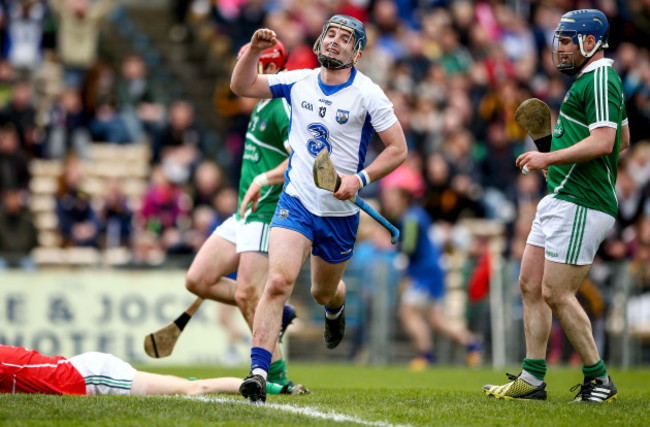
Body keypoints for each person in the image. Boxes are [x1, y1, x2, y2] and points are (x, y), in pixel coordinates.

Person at [230, 15, 408, 402]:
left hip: (340, 214)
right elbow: (242, 85)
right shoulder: (298, 81)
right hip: (296, 202)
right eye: (331, 34)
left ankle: (335, 306)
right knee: (277, 282)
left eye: (345, 39)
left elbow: (398, 149)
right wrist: (255, 52)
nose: (335, 42)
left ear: (356, 53)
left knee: (322, 292)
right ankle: (259, 372)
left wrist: (359, 180)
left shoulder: (368, 94)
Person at [483, 9, 630, 403]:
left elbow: (604, 143)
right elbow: (623, 140)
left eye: (567, 41)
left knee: (556, 292)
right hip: (561, 196)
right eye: (559, 40)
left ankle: (599, 380)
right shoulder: (591, 81)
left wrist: (548, 158)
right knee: (530, 283)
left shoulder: (600, 79)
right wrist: (553, 145)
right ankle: (532, 380)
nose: (560, 48)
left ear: (589, 42)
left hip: (584, 201)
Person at [184, 40, 296, 389]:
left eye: (248, 62)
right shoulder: (258, 104)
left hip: (267, 212)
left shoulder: (281, 106)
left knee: (248, 295)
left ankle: (277, 379)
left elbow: (301, 159)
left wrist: (264, 179)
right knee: (197, 280)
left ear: (269, 68)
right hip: (243, 214)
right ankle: (277, 313)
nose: (240, 70)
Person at [380, 185, 482, 370]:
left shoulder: (410, 217)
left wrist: (394, 248)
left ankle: (426, 355)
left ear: (403, 199)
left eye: (391, 196)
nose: (387, 201)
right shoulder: (417, 214)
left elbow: (409, 247)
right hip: (432, 271)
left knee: (407, 312)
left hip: (424, 273)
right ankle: (472, 344)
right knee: (436, 319)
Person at [0, 345, 308, 396]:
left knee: (193, 389)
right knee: (183, 385)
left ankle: (274, 387)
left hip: (93, 376)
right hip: (85, 369)